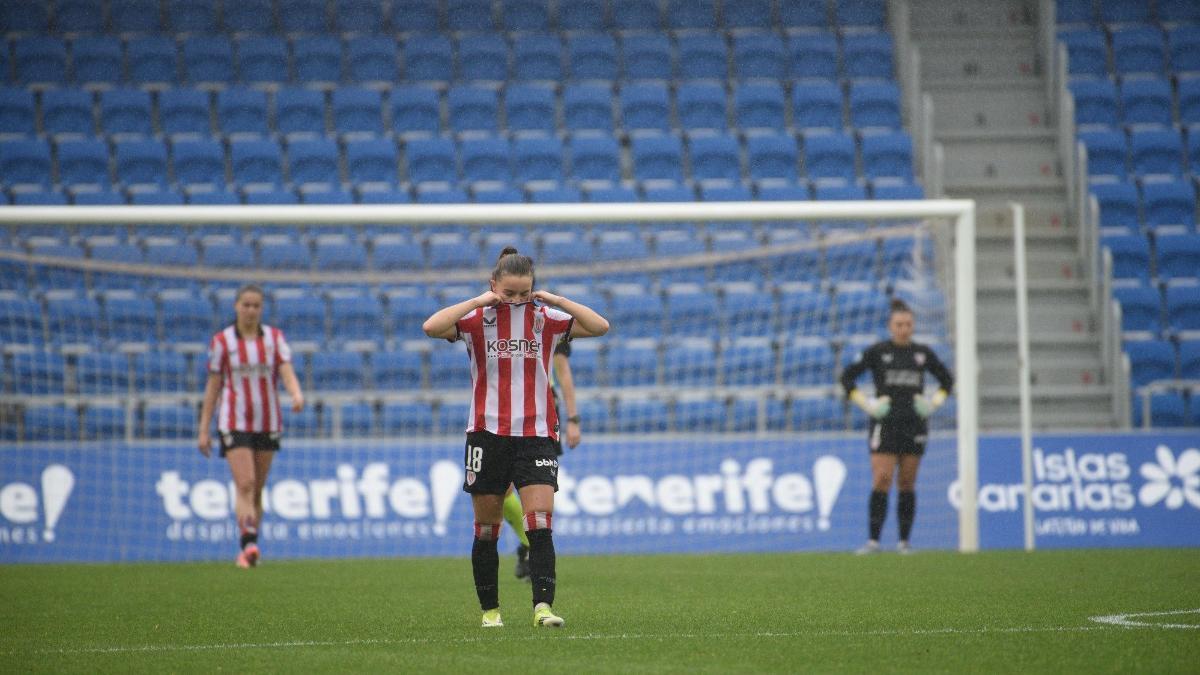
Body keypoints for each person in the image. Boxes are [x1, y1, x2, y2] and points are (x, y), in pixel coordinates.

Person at [423, 247, 609, 629]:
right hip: (486, 434)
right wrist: (478, 300)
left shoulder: (547, 320)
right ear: (494, 286)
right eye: (510, 293)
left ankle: (543, 607)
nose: (518, 300)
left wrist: (555, 298)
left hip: (536, 433)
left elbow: (600, 326)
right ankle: (490, 612)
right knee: (487, 529)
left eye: (525, 292)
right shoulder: (476, 320)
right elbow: (431, 327)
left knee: (540, 522)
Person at [198, 284, 305, 569]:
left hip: (268, 420)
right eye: (246, 305)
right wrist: (203, 428)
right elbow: (213, 386)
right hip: (234, 420)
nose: (250, 310)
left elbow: (286, 370)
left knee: (256, 488)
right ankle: (249, 544)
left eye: (256, 305)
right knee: (244, 483)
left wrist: (296, 393)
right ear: (236, 306)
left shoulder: (274, 338)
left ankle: (249, 545)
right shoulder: (222, 342)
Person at [839, 299, 953, 555]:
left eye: (909, 324)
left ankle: (904, 542)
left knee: (907, 482)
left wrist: (933, 403)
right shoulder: (878, 352)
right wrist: (867, 403)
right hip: (885, 423)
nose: (904, 328)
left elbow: (947, 380)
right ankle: (873, 541)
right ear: (890, 326)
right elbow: (846, 377)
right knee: (882, 478)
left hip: (914, 423)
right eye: (899, 324)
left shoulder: (922, 354)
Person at [510, 338, 581, 580]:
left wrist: (573, 418)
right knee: (502, 488)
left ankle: (532, 547)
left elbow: (562, 370)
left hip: (542, 408)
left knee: (540, 485)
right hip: (501, 404)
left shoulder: (548, 322)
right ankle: (528, 542)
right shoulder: (496, 318)